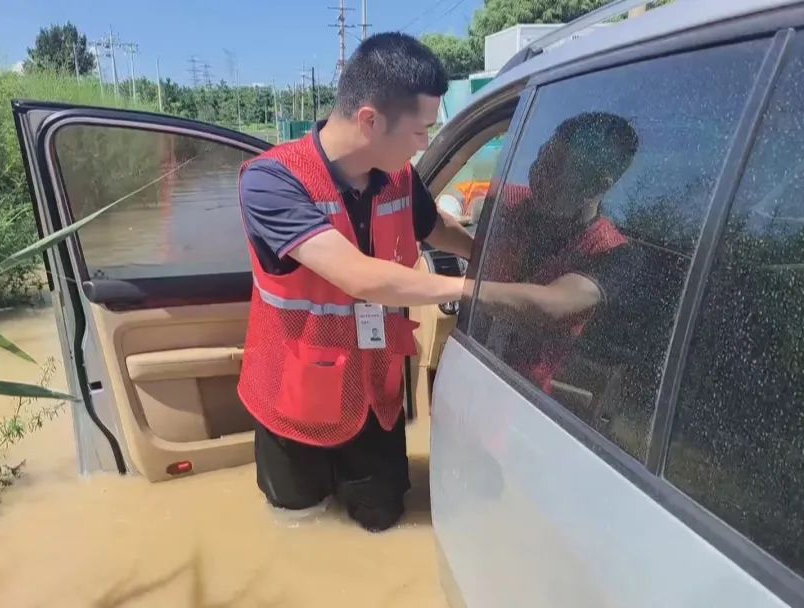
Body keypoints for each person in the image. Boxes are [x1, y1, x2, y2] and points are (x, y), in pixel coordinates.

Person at [236, 32, 474, 532]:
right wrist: (480, 291)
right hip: (293, 398)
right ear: (370, 120)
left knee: (384, 521)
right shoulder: (272, 180)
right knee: (299, 525)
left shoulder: (400, 178)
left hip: (374, 396)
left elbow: (436, 229)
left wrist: (489, 260)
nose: (425, 145)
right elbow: (357, 276)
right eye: (419, 131)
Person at [477, 111, 640, 397]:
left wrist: (447, 287)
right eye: (540, 157)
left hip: (525, 398)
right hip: (478, 365)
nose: (536, 172)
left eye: (554, 167)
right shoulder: (513, 203)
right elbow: (474, 212)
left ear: (598, 184)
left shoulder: (610, 252)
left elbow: (550, 305)